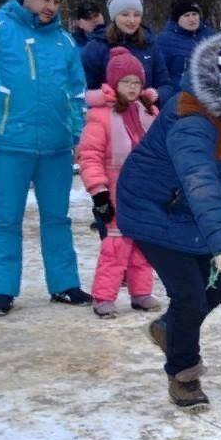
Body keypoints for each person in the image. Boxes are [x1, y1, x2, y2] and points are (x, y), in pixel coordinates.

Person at [115, 35, 221, 410]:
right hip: (153, 208)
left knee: (214, 290)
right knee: (189, 294)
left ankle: (168, 329)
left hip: (186, 209)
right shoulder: (191, 121)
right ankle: (183, 373)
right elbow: (200, 185)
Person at [0, 0, 91, 316]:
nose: (50, 6)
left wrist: (79, 133)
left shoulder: (64, 40)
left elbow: (76, 91)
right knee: (6, 217)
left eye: (56, 1)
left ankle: (64, 284)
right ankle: (1, 290)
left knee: (57, 217)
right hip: (7, 142)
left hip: (56, 145)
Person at [77, 47, 161, 318]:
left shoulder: (149, 111)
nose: (133, 87)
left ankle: (140, 292)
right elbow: (90, 156)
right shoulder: (101, 115)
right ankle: (104, 296)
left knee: (143, 243)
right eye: (126, 82)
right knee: (116, 245)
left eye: (137, 82)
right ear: (114, 83)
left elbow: (162, 150)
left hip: (146, 189)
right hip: (116, 188)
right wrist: (99, 193)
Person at [81, 0, 174, 104]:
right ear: (114, 17)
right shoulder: (96, 47)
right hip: (110, 115)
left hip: (146, 114)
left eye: (136, 15)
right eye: (125, 14)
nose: (132, 20)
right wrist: (105, 96)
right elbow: (86, 90)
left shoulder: (149, 44)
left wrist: (156, 95)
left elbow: (166, 85)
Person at [157, 0, 214, 90]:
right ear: (177, 19)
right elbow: (160, 75)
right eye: (186, 15)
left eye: (194, 14)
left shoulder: (210, 35)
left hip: (209, 94)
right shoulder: (165, 40)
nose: (192, 19)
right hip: (179, 94)